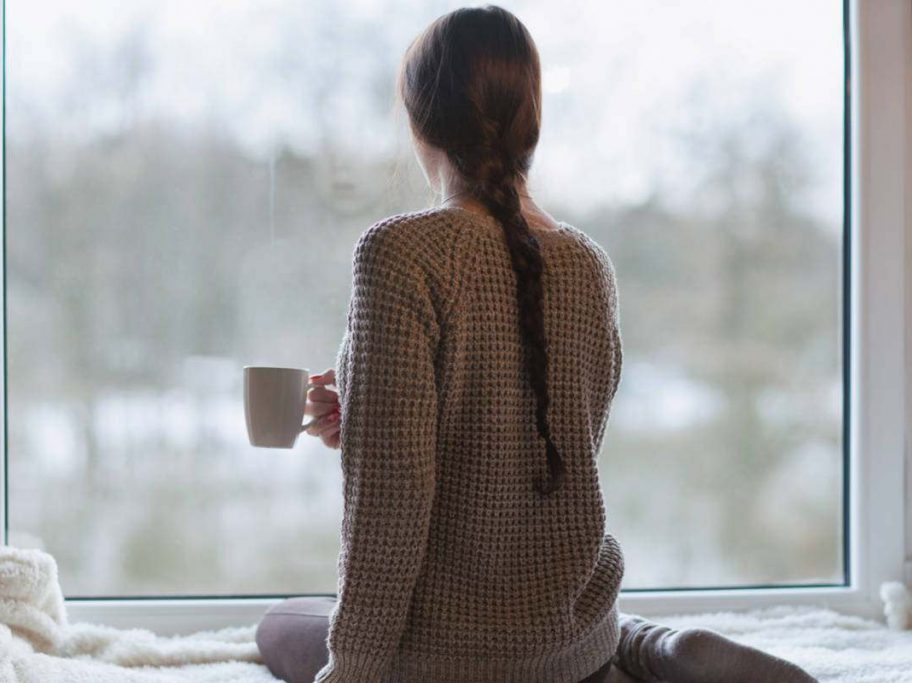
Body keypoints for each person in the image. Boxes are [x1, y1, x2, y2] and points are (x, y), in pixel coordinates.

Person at [256, 6, 817, 682]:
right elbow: (544, 451)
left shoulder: (399, 252)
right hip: (569, 635)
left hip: (451, 655)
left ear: (418, 120)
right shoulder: (588, 263)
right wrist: (370, 410)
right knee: (590, 638)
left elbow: (390, 507)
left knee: (281, 622)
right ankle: (644, 645)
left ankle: (628, 645)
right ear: (530, 121)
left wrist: (353, 670)